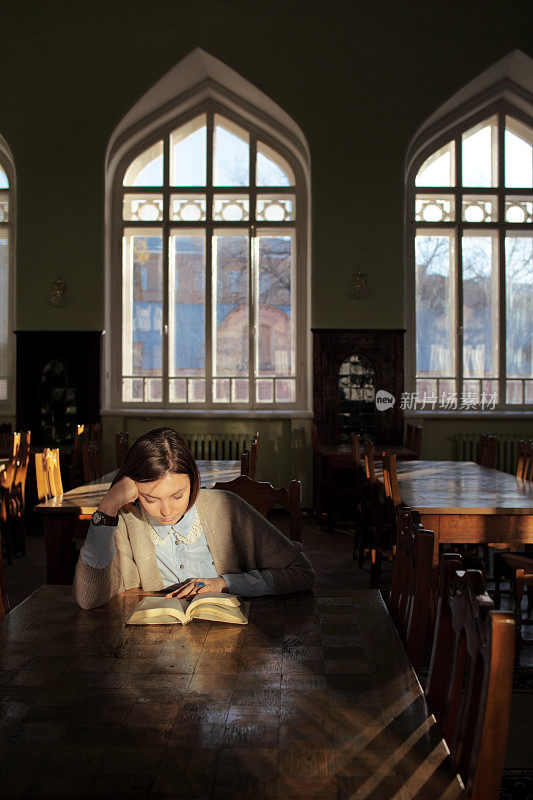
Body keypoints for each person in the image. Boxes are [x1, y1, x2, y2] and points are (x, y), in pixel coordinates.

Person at [73, 427, 315, 609]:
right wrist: (106, 509)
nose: (167, 512)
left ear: (194, 479)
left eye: (177, 495)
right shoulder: (126, 521)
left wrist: (225, 583)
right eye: (151, 499)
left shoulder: (226, 507)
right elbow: (88, 599)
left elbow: (301, 573)